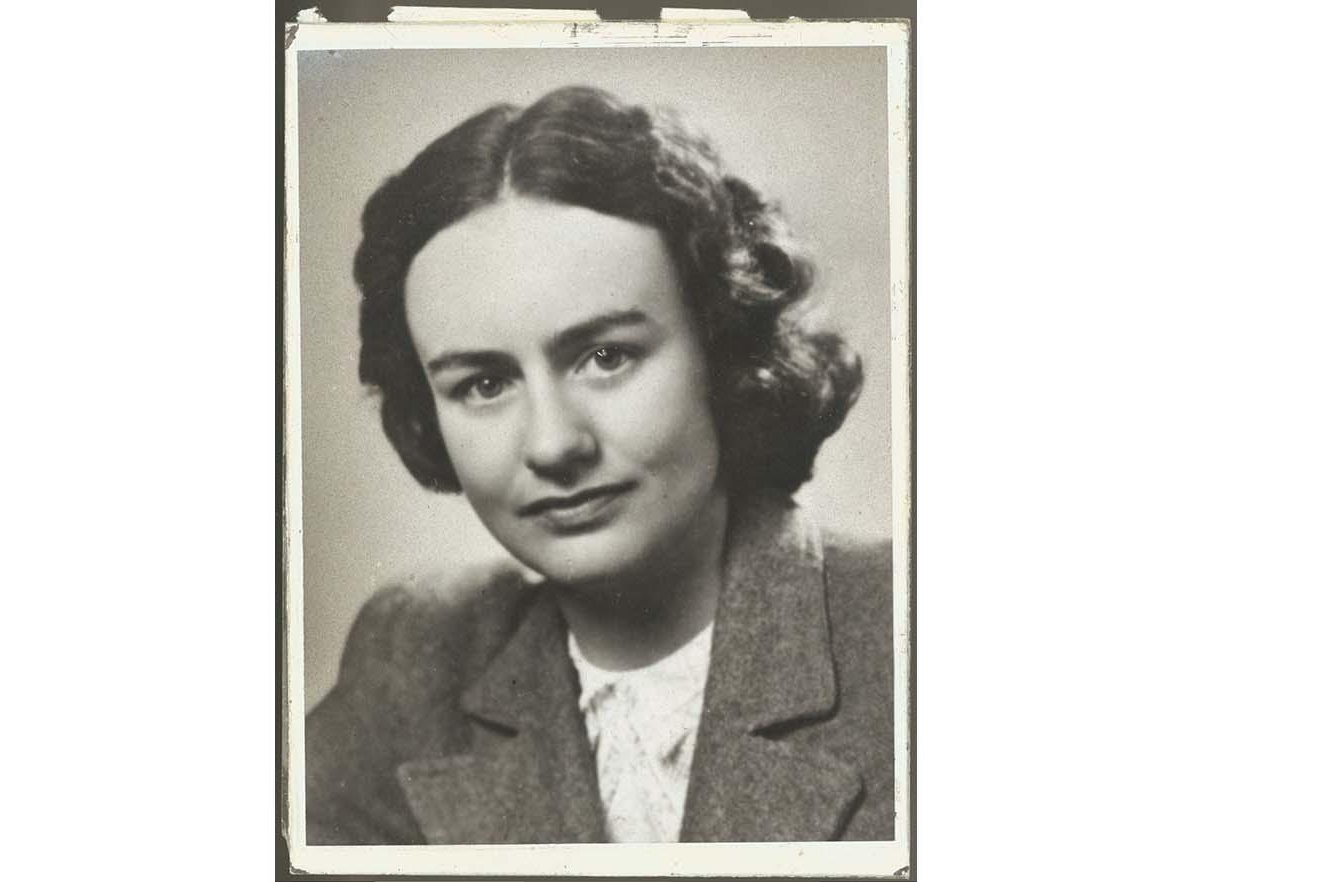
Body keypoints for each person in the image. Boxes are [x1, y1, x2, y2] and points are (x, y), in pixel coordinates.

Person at [305, 85, 894, 844]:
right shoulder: (420, 654)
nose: (553, 445)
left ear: (722, 350)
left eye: (605, 357)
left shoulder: (903, 628)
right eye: (483, 384)